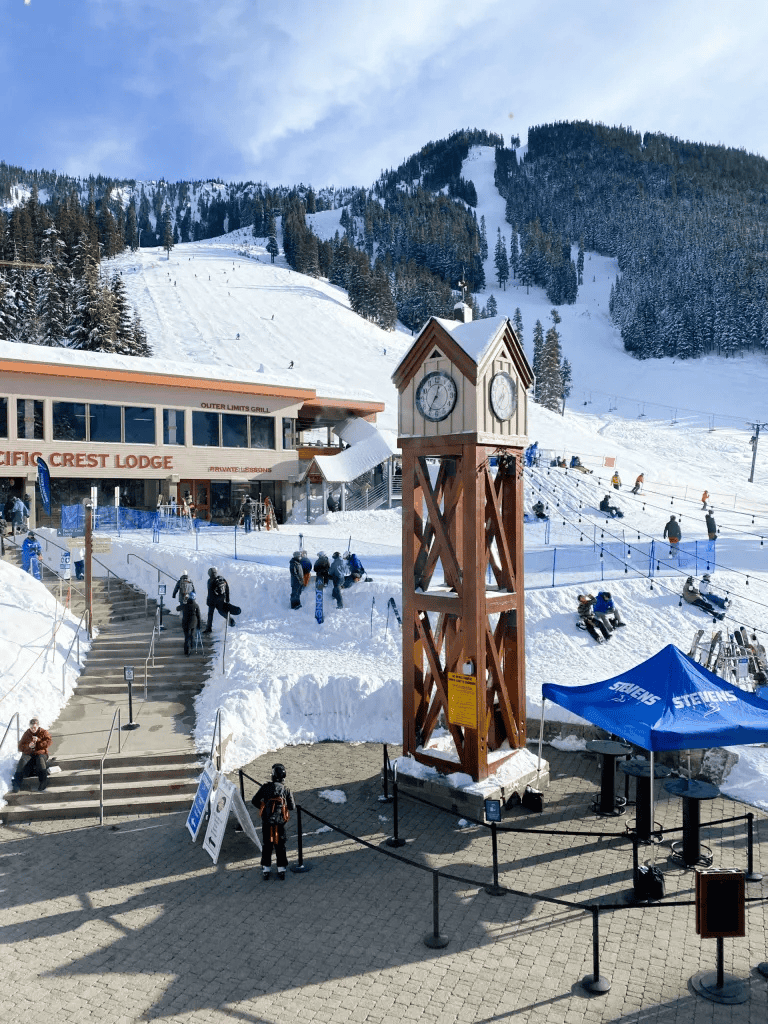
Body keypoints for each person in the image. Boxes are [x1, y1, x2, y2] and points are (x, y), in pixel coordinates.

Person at [251, 763, 295, 880]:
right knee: (280, 845)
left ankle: (266, 868)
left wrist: (264, 808)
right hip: (280, 823)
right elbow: (292, 807)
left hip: (267, 822)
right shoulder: (286, 790)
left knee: (267, 844)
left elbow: (254, 800)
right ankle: (281, 868)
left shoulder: (265, 787)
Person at [11, 718, 51, 792]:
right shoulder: (27, 733)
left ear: (38, 726)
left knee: (40, 760)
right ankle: (17, 783)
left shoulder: (43, 732)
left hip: (40, 753)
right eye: (31, 727)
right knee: (22, 761)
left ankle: (43, 781)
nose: (33, 729)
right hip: (29, 753)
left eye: (34, 727)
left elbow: (48, 743)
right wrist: (28, 746)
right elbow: (20, 747)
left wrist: (38, 741)